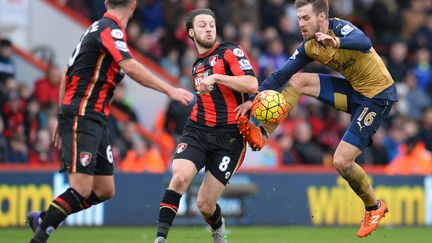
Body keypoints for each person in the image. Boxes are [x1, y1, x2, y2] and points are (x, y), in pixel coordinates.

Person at [26, 1, 193, 242]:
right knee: (82, 189)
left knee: (105, 190)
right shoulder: (108, 29)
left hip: (95, 118)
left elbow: (66, 74)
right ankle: (39, 236)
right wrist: (170, 90)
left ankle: (44, 218)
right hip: (83, 115)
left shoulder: (99, 29)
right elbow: (131, 68)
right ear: (134, 5)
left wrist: (62, 114)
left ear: (106, 3)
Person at [236, 0, 396, 238]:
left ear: (322, 17)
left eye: (305, 18)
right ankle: (263, 132)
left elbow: (365, 42)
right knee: (299, 81)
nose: (300, 23)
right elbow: (281, 75)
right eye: (299, 18)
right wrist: (252, 97)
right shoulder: (308, 46)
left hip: (376, 96)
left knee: (341, 161)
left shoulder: (340, 29)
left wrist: (337, 42)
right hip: (354, 91)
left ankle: (374, 207)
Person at [154, 8, 258, 243]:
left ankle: (218, 228)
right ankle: (160, 239)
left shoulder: (230, 51)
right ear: (191, 33)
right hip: (198, 131)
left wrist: (218, 78)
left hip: (229, 138)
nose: (209, 28)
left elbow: (252, 83)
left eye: (211, 24)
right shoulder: (196, 66)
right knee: (179, 178)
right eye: (202, 25)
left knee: (204, 204)